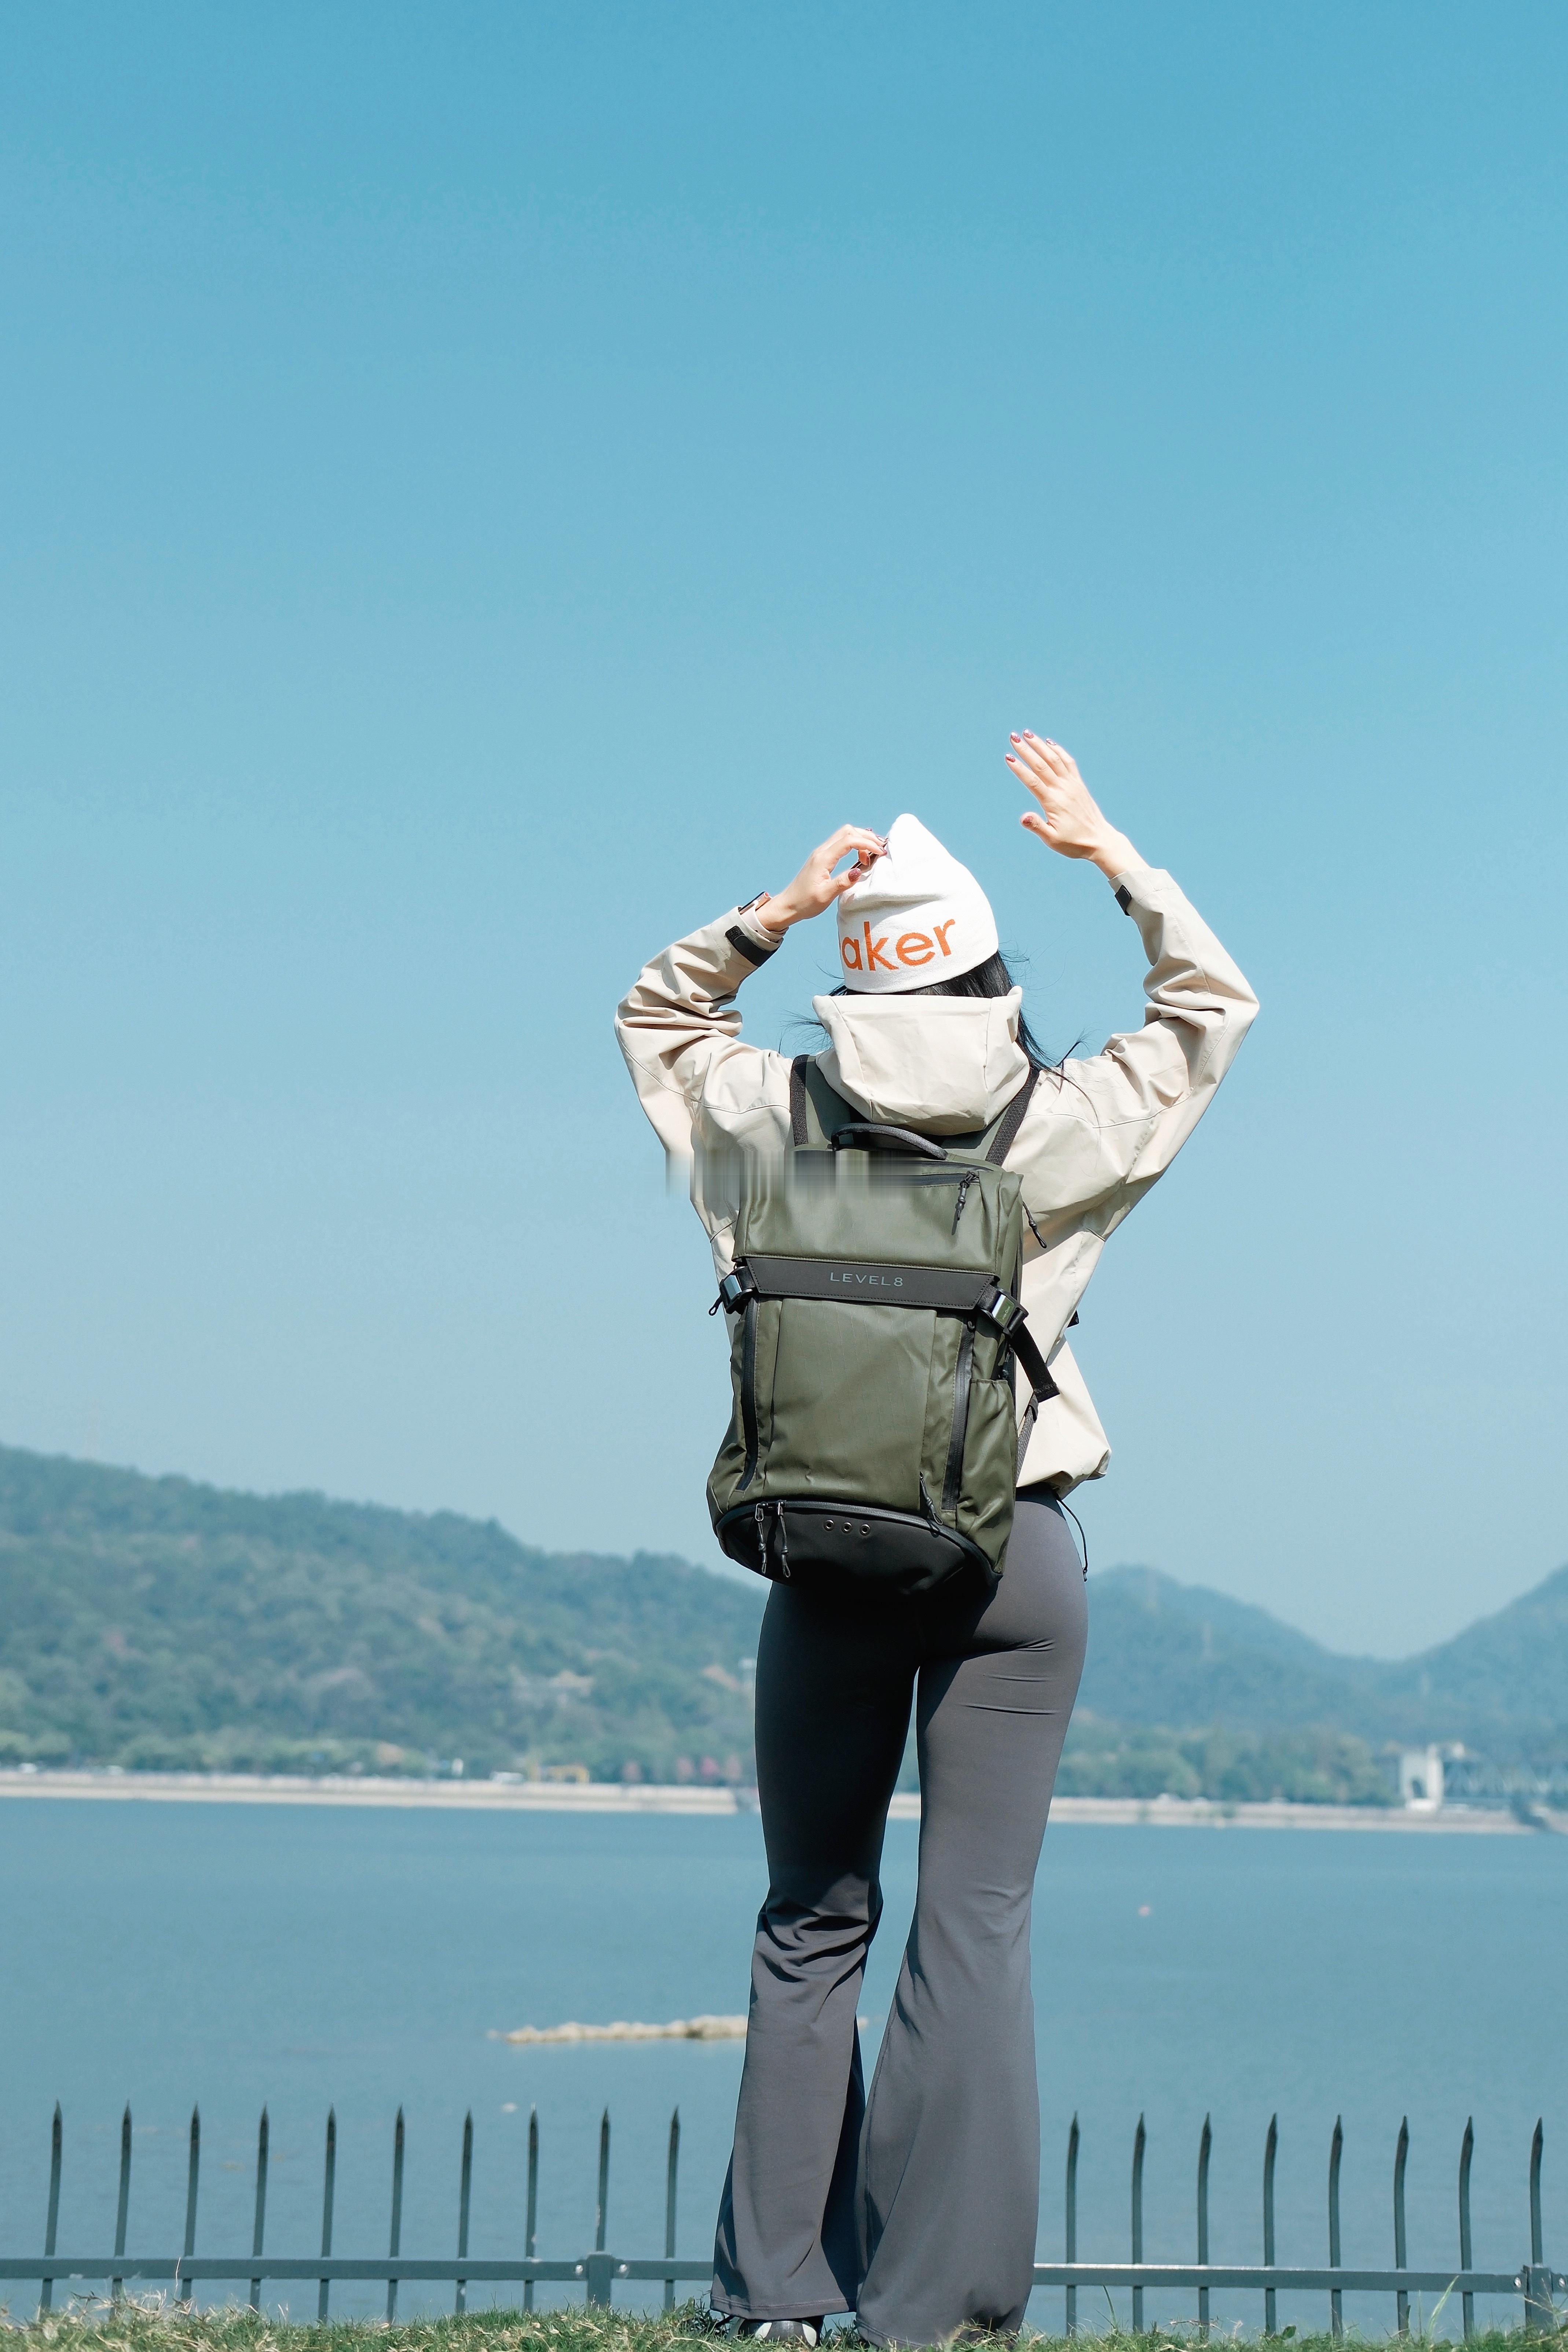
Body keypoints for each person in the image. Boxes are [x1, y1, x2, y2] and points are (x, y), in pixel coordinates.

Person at [615, 733, 1258, 2347]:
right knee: (973, 1921)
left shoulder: (767, 1117)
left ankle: (776, 2297)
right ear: (982, 971)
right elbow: (1209, 1013)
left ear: (852, 987)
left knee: (810, 1911)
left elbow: (655, 1019)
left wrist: (765, 914)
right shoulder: (1056, 1119)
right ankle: (933, 2306)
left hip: (825, 1556)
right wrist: (1113, 855)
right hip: (1011, 1553)